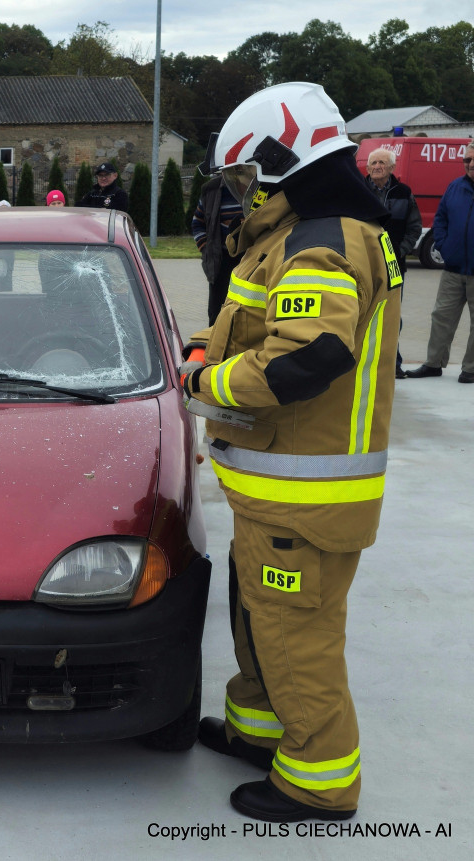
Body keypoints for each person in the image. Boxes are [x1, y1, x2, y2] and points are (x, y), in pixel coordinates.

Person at [181, 82, 400, 822]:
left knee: (295, 635)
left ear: (285, 160)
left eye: (248, 176)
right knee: (259, 619)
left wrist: (209, 379)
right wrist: (206, 352)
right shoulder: (310, 234)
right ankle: (261, 732)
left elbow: (304, 359)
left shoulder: (320, 241)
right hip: (276, 489)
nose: (245, 193)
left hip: (304, 496)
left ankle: (318, 781)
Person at [405, 141, 474, 383]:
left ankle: (471, 369)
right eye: (467, 159)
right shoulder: (455, 187)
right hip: (453, 269)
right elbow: (441, 219)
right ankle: (433, 364)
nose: (471, 164)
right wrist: (445, 247)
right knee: (441, 318)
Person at [364, 147, 421, 378]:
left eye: (382, 163)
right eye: (373, 163)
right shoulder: (357, 190)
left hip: (394, 266)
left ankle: (392, 364)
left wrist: (399, 252)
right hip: (364, 264)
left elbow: (414, 227)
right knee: (363, 312)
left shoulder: (404, 192)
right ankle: (363, 361)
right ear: (367, 168)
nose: (377, 166)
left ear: (392, 167)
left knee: (391, 315)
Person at [191, 173, 245, 324]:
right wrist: (205, 248)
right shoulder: (211, 190)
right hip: (220, 260)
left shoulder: (255, 186)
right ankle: (213, 343)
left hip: (250, 258)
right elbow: (197, 223)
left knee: (246, 310)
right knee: (217, 312)